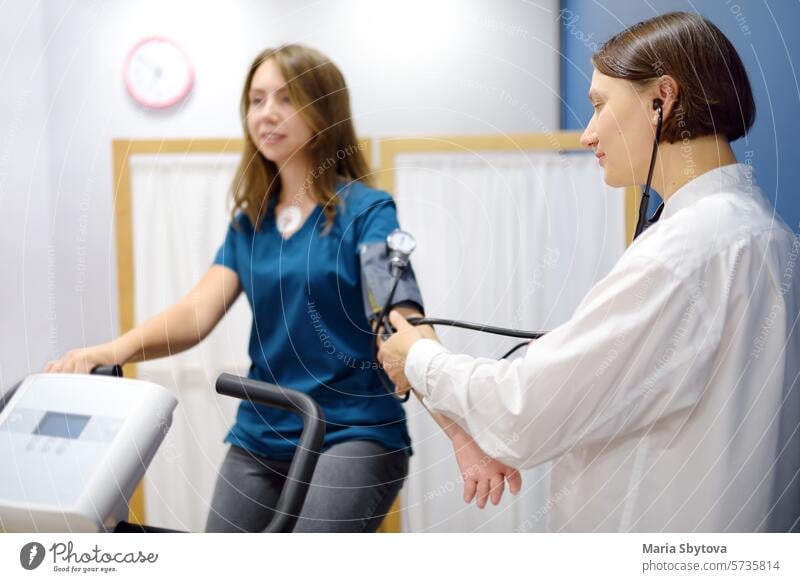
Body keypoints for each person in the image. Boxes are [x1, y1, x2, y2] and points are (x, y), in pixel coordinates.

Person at [46, 44, 520, 532]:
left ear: (323, 110)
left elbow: (398, 321)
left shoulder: (367, 213)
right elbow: (195, 314)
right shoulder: (250, 224)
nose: (267, 113)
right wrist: (104, 352)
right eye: (256, 100)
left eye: (287, 98)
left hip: (354, 432)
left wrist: (460, 431)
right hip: (263, 432)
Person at [379, 12, 800, 532]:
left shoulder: (682, 255)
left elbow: (523, 409)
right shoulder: (773, 240)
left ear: (660, 100)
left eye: (600, 106)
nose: (587, 134)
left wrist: (417, 356)